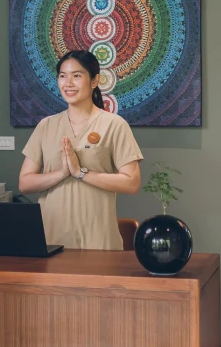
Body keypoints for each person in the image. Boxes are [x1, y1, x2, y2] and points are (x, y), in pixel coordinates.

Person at [18, 50, 143, 250]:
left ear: (95, 81)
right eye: (62, 76)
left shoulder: (114, 124)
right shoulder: (46, 126)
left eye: (76, 76)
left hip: (98, 241)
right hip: (51, 239)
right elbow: (25, 183)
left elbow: (131, 183)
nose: (68, 83)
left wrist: (80, 172)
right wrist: (62, 173)